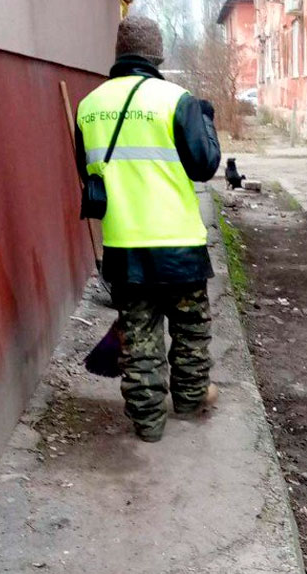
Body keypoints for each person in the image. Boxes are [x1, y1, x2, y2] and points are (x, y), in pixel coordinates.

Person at [75, 16, 221, 442]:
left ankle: (147, 421)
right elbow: (205, 166)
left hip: (124, 243)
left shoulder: (89, 106)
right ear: (157, 54)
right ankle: (191, 401)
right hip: (178, 242)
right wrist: (205, 119)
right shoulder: (178, 99)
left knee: (138, 334)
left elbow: (88, 171)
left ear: (119, 53)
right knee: (190, 329)